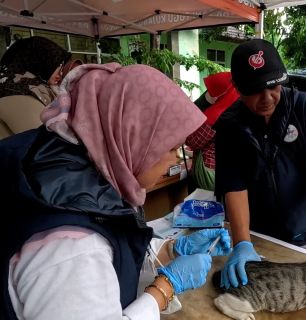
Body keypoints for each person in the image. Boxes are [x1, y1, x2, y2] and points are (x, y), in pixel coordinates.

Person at [0, 63, 232, 319]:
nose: (175, 159)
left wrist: (171, 250)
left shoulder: (73, 171)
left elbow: (113, 253)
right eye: (170, 148)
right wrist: (163, 290)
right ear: (133, 138)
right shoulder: (73, 249)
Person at [214, 39, 306, 289]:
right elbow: (234, 186)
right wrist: (242, 243)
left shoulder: (303, 107)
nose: (266, 98)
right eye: (255, 90)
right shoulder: (230, 125)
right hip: (258, 239)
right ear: (239, 89)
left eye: (273, 87)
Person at [185, 71, 239, 191]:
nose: (208, 95)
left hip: (211, 173)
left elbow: (192, 141)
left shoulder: (215, 116)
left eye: (211, 92)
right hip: (231, 172)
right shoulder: (238, 110)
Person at [0, 36, 78, 106]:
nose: (60, 75)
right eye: (58, 64)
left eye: (62, 65)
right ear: (37, 61)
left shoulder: (17, 85)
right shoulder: (21, 92)